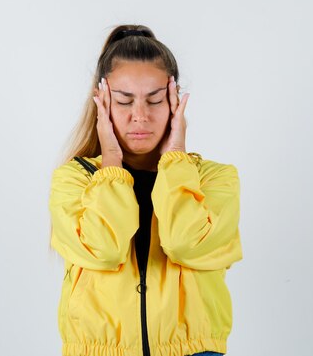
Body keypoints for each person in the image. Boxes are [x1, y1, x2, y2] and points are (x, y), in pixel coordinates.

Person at [48, 25, 242, 356]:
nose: (140, 116)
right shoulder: (74, 180)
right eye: (124, 101)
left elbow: (185, 243)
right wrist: (111, 162)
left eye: (154, 100)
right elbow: (103, 249)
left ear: (174, 102)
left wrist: (175, 160)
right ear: (102, 101)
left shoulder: (214, 179)